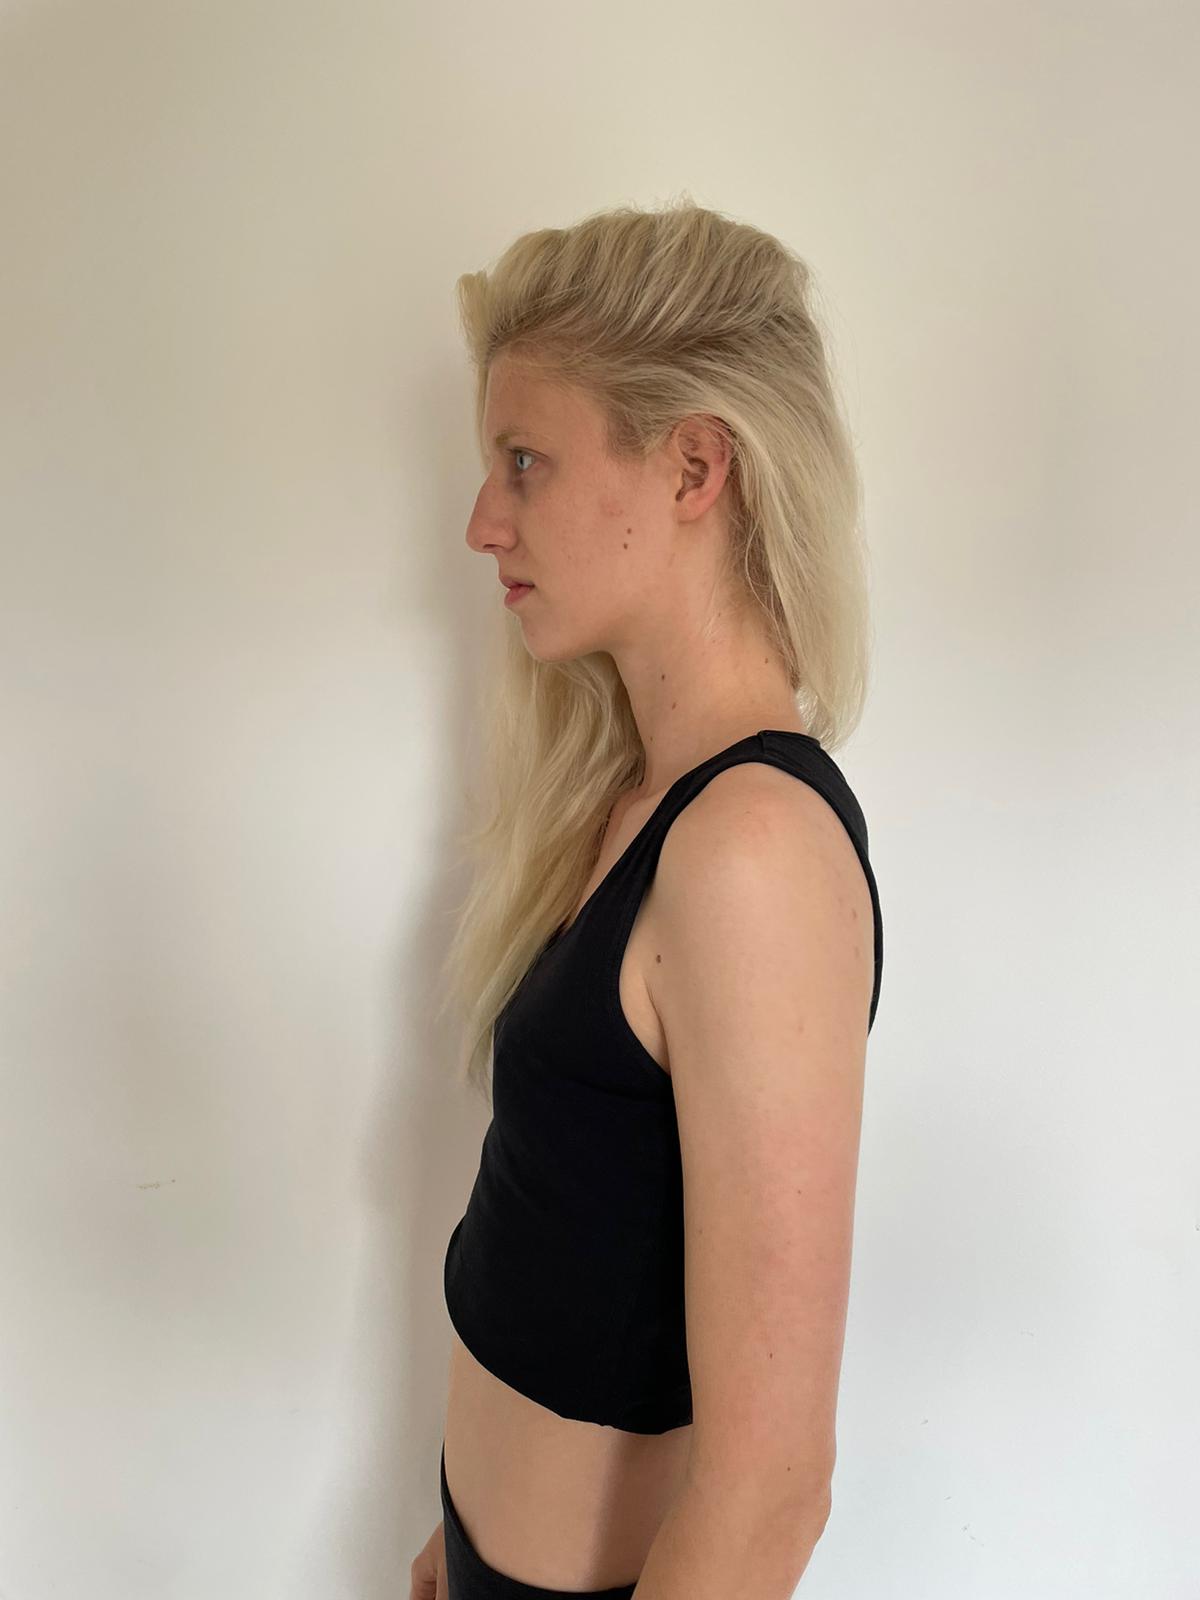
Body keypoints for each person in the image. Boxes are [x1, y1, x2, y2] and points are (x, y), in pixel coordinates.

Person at [411, 195, 884, 1600]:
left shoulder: (753, 853)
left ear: (692, 467)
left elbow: (770, 1493)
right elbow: (572, 1224)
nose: (483, 523)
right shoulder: (631, 801)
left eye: (526, 462)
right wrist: (461, 1532)